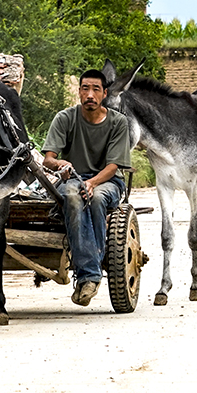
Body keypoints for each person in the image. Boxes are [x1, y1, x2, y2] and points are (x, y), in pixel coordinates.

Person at [41, 69, 133, 306]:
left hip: (108, 182)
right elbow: (48, 159)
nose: (90, 94)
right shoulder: (65, 118)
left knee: (98, 198)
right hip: (73, 178)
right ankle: (90, 275)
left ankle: (88, 275)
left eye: (95, 89)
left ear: (104, 94)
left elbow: (113, 166)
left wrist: (92, 183)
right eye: (85, 89)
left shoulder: (118, 122)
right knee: (73, 196)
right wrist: (60, 163)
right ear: (79, 92)